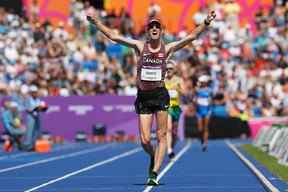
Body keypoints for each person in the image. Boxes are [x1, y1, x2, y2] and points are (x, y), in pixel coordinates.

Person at [87, 10, 216, 185]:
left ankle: (154, 173)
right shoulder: (139, 46)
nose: (154, 28)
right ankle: (154, 156)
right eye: (151, 26)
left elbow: (191, 37)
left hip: (160, 95)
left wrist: (206, 23)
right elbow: (114, 37)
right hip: (144, 97)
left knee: (162, 135)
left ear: (161, 31)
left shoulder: (168, 48)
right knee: (145, 140)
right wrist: (97, 24)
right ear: (147, 31)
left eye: (157, 26)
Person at [164, 60, 183, 160]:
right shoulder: (163, 80)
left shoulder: (179, 80)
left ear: (174, 70)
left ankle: (171, 146)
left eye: (170, 69)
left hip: (176, 107)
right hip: (167, 107)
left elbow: (184, 93)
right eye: (167, 69)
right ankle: (169, 150)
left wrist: (178, 89)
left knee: (174, 132)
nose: (168, 70)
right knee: (168, 128)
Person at [24, 85, 48, 151]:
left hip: (37, 116)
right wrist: (34, 109)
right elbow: (27, 109)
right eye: (33, 92)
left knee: (36, 131)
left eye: (36, 92)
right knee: (30, 132)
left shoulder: (38, 99)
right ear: (31, 93)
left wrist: (42, 108)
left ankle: (34, 145)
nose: (35, 94)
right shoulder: (28, 99)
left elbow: (41, 108)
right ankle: (28, 146)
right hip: (31, 117)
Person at [194, 75, 212, 152]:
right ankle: (202, 139)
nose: (201, 83)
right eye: (201, 82)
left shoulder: (209, 90)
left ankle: (205, 143)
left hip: (207, 110)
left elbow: (211, 100)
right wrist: (195, 101)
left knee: (206, 127)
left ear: (206, 83)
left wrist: (209, 102)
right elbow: (194, 98)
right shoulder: (197, 90)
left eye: (203, 82)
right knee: (200, 128)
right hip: (199, 111)